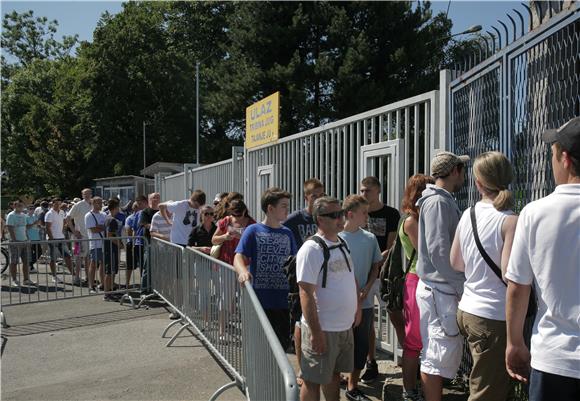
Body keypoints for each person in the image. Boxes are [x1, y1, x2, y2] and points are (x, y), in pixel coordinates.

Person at [505, 117, 580, 401]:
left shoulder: (534, 213)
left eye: (552, 154)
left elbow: (518, 286)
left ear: (565, 159)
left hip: (553, 357)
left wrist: (514, 342)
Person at [449, 152, 518, 401]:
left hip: (468, 310)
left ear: (478, 183)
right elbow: (511, 274)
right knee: (487, 392)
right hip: (493, 316)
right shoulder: (510, 220)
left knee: (487, 382)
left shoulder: (469, 214)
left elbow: (456, 262)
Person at [415, 151, 469, 401]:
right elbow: (439, 251)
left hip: (439, 288)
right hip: (440, 289)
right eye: (462, 168)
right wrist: (460, 284)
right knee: (435, 356)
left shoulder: (439, 200)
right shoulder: (438, 202)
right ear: (454, 171)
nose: (465, 174)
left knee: (437, 352)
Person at [296, 196, 361, 401]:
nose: (340, 219)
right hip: (323, 328)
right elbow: (305, 292)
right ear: (320, 219)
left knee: (334, 375)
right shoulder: (311, 249)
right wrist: (316, 332)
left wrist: (357, 308)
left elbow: (351, 277)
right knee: (312, 379)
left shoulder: (341, 242)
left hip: (343, 327)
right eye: (334, 215)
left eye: (341, 213)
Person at [234, 188, 297, 350]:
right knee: (260, 348)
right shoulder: (253, 230)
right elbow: (238, 256)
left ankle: (276, 377)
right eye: (283, 206)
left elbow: (295, 262)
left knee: (281, 348)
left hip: (283, 302)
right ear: (270, 208)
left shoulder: (288, 233)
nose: (287, 209)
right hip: (260, 301)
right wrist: (242, 271)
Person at [339, 195, 382, 401]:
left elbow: (376, 265)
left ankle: (352, 385)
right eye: (364, 213)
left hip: (363, 302)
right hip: (340, 305)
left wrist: (367, 286)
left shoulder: (369, 238)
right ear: (350, 214)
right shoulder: (335, 238)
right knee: (339, 345)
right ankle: (338, 377)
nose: (368, 216)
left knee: (361, 345)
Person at [396, 174, 435, 401]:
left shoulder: (416, 218)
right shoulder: (411, 221)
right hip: (415, 281)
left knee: (420, 338)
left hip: (421, 280)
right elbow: (426, 253)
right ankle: (408, 389)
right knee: (413, 340)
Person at [359, 176, 400, 383]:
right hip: (364, 275)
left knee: (395, 314)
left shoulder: (391, 214)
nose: (363, 194)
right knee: (367, 321)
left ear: (378, 191)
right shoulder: (358, 213)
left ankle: (407, 355)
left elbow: (392, 245)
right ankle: (370, 361)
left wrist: (377, 260)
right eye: (362, 190)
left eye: (367, 190)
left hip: (383, 274)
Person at [284, 178, 325, 382]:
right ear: (306, 197)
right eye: (315, 195)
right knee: (301, 323)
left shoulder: (324, 218)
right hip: (302, 277)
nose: (319, 199)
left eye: (321, 195)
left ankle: (324, 364)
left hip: (323, 277)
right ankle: (302, 368)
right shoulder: (294, 220)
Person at [67, 188, 93, 286]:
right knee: (77, 257)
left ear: (91, 194)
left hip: (90, 236)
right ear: (82, 195)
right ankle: (76, 278)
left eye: (88, 194)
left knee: (88, 258)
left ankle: (87, 277)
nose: (86, 195)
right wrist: (74, 231)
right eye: (84, 194)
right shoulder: (78, 205)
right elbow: (68, 218)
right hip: (78, 237)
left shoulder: (92, 204)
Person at [45, 198, 74, 283]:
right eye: (56, 203)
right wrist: (51, 238)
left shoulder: (62, 212)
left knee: (67, 257)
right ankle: (54, 276)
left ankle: (74, 275)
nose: (58, 205)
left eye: (59, 203)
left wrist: (63, 228)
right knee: (53, 259)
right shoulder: (49, 214)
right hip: (52, 239)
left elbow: (65, 221)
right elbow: (47, 227)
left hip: (61, 238)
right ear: (52, 204)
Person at [6, 200, 33, 287]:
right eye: (18, 205)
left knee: (26, 262)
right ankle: (14, 280)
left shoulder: (24, 215)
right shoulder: (11, 215)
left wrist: (28, 239)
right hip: (15, 242)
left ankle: (26, 279)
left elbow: (25, 228)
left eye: (21, 205)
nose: (20, 207)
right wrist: (14, 240)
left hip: (24, 241)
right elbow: (10, 228)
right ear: (14, 206)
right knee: (14, 262)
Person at [139, 192, 160, 292]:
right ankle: (144, 289)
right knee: (148, 266)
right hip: (149, 242)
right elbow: (144, 224)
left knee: (160, 267)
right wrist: (156, 228)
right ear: (149, 200)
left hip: (161, 243)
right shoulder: (145, 212)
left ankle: (157, 289)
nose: (156, 199)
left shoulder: (162, 211)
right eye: (154, 198)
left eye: (158, 198)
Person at [103, 198, 123, 301]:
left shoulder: (108, 218)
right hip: (110, 248)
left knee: (112, 270)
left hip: (111, 248)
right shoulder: (111, 220)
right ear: (115, 208)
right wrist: (120, 244)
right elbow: (110, 235)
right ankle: (107, 294)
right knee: (109, 271)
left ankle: (110, 291)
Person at [85, 197, 106, 293]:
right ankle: (91, 286)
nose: (101, 205)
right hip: (94, 243)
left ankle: (102, 283)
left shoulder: (104, 214)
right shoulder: (89, 215)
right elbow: (93, 230)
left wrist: (99, 227)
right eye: (98, 203)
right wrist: (102, 227)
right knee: (93, 264)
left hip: (104, 242)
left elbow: (107, 226)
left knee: (103, 263)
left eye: (101, 203)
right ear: (93, 203)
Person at [26, 204, 42, 274]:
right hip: (30, 237)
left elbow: (37, 225)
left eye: (33, 208)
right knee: (33, 252)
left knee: (39, 252)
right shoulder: (26, 217)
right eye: (30, 208)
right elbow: (26, 227)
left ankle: (30, 265)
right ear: (27, 209)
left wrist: (39, 226)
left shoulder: (35, 216)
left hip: (36, 237)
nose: (32, 210)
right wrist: (33, 223)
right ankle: (30, 266)